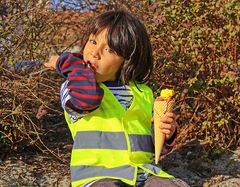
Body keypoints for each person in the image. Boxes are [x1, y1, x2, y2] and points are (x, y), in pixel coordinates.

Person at [45, 10, 189, 187]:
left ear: (127, 60)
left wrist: (165, 134)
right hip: (96, 177)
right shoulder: (72, 87)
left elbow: (150, 147)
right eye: (93, 41)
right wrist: (69, 62)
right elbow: (87, 99)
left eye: (109, 49)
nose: (95, 53)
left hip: (142, 174)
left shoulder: (144, 93)